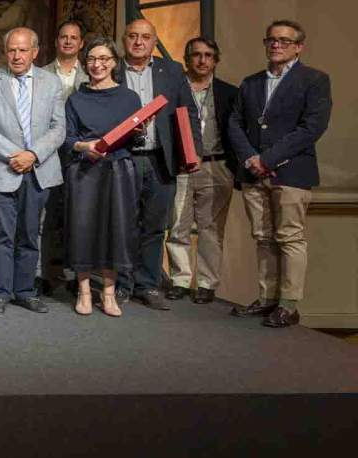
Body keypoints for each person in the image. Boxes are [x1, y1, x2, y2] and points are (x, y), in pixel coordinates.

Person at [227, 20, 332, 328]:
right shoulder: (251, 82)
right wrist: (250, 159)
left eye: (285, 41)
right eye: (272, 40)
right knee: (262, 237)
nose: (276, 45)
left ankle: (288, 304)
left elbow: (312, 127)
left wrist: (269, 158)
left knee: (290, 237)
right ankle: (267, 298)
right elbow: (235, 123)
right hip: (253, 173)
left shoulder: (314, 80)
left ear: (299, 46)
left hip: (291, 173)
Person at [0, 27, 66, 316]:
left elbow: (58, 127)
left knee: (29, 234)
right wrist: (16, 155)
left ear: (35, 52)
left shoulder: (52, 83)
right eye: (12, 49)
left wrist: (33, 155)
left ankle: (25, 291)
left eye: (23, 50)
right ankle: (0, 292)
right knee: (0, 235)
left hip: (39, 170)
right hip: (1, 168)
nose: (16, 55)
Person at [119, 19, 202, 309]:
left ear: (155, 42)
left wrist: (194, 152)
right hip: (124, 159)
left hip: (160, 159)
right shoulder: (113, 70)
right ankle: (121, 283)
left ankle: (147, 285)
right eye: (132, 36)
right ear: (124, 40)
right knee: (123, 224)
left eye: (145, 37)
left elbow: (187, 112)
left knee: (155, 226)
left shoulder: (172, 70)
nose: (138, 42)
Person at [62, 36, 141, 317]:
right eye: (92, 59)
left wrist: (139, 133)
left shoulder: (130, 97)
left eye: (103, 59)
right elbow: (67, 138)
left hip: (118, 171)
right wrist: (86, 147)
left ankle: (109, 293)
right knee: (82, 229)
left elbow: (135, 140)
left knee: (115, 230)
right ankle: (84, 292)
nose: (97, 65)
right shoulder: (76, 98)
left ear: (114, 63)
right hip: (83, 170)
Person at [165, 37, 239, 304]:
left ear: (216, 60)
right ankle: (180, 280)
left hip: (216, 165)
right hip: (181, 167)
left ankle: (207, 284)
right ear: (186, 59)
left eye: (208, 55)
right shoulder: (172, 89)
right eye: (196, 55)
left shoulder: (229, 92)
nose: (202, 60)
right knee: (177, 226)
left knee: (211, 228)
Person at [40, 21, 89, 291]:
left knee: (78, 217)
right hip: (48, 154)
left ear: (81, 43)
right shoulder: (41, 73)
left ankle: (76, 276)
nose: (68, 42)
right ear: (56, 41)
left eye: (74, 38)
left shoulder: (93, 72)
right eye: (63, 37)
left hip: (80, 156)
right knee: (46, 217)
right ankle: (44, 273)